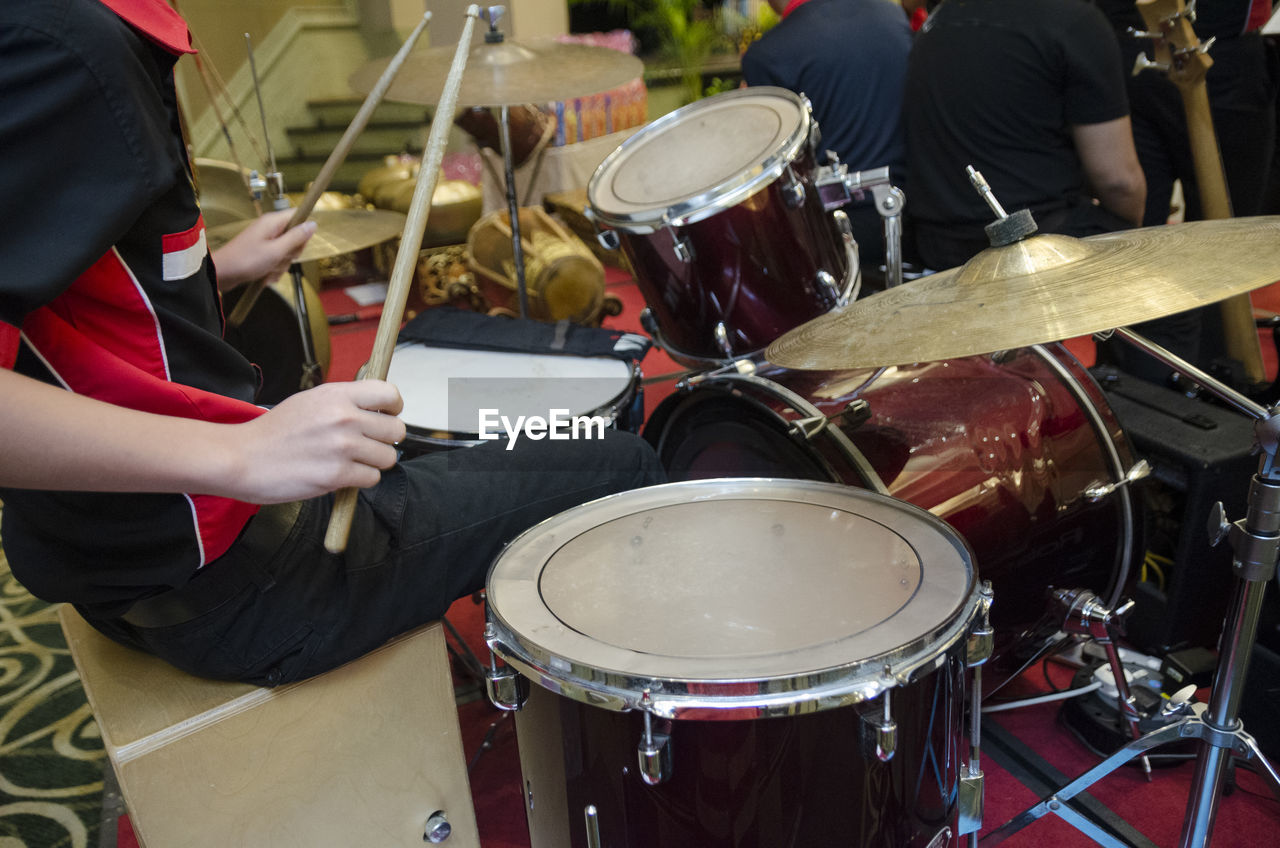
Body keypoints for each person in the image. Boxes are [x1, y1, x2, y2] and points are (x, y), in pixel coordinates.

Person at [0, 0, 665, 687]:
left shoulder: (64, 31)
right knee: (620, 462)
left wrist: (215, 268)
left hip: (127, 554)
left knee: (418, 425)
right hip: (233, 579)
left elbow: (69, 302)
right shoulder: (58, 44)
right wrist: (240, 453)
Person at [902, 0, 1147, 272]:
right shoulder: (1074, 22)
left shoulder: (936, 22)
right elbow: (1119, 182)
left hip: (940, 250)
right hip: (1042, 247)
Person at [741, 0, 914, 269]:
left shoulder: (767, 54)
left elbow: (770, 167)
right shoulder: (889, 13)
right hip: (915, 214)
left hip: (837, 234)